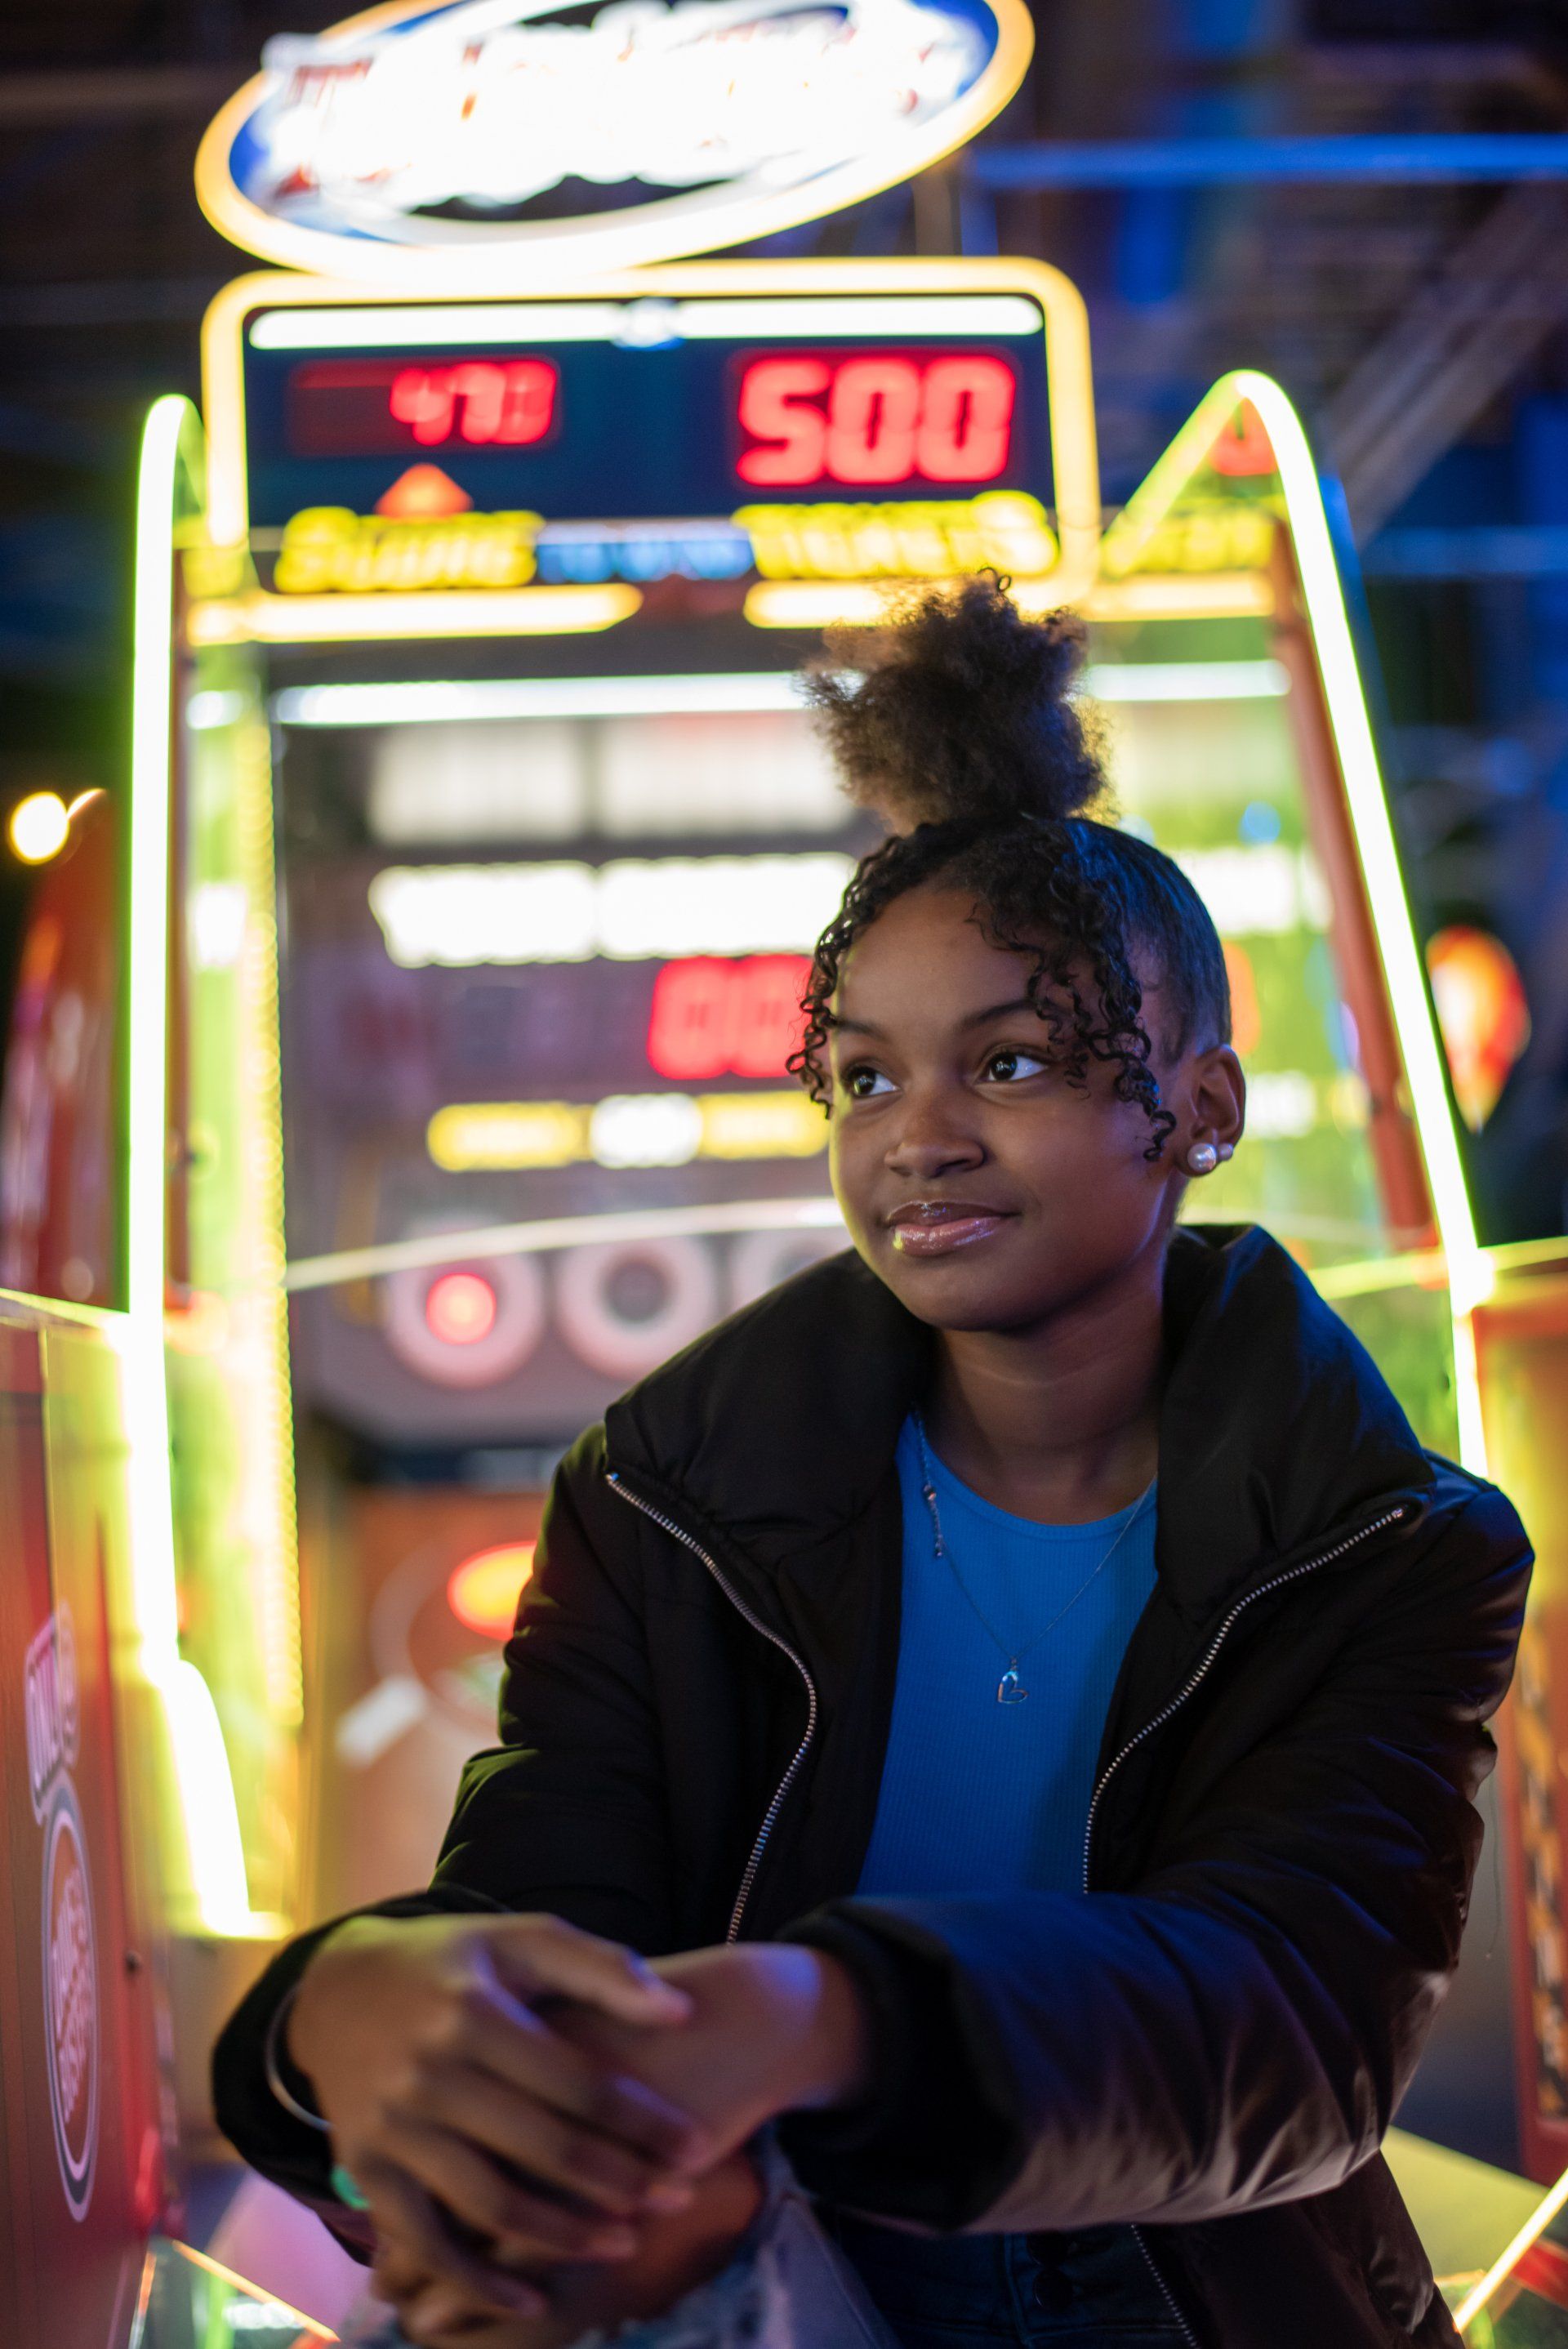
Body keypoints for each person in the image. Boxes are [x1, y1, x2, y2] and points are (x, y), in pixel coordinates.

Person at [214, 579, 1532, 2349]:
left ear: (1205, 1107)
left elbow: (1292, 2027)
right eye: (857, 1077)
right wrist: (332, 2013)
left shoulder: (1391, 1544)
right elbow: (547, 1915)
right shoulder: (661, 1499)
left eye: (1011, 1059)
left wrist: (829, 2014)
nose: (918, 1138)